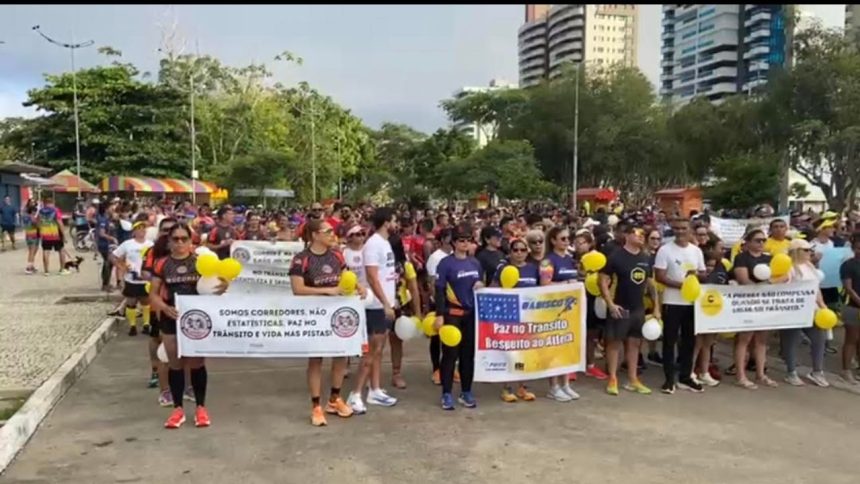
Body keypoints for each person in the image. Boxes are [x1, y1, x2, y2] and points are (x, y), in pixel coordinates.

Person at [150, 224, 226, 429]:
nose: (180, 242)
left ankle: (201, 407)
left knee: (196, 363)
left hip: (196, 320)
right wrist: (164, 308)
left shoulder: (200, 262)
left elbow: (214, 289)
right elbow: (153, 294)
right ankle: (178, 409)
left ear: (191, 240)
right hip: (171, 318)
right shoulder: (161, 263)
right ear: (169, 241)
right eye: (176, 239)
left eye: (184, 238)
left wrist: (224, 286)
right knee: (174, 364)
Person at [290, 218, 361, 426]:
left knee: (340, 356)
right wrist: (326, 290)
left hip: (337, 315)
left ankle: (334, 399)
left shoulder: (337, 255)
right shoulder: (301, 259)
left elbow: (347, 279)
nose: (333, 234)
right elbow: (298, 289)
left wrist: (359, 287)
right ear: (314, 235)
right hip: (314, 317)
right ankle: (316, 405)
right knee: (316, 360)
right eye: (328, 231)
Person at [347, 208, 400, 413]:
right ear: (387, 222)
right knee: (370, 353)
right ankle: (355, 394)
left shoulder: (385, 243)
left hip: (385, 304)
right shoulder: (373, 245)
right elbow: (372, 277)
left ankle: (375, 389)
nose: (396, 223)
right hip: (375, 306)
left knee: (379, 351)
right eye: (394, 220)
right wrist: (385, 303)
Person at [598, 225, 659, 396]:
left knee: (635, 344)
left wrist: (656, 308)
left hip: (638, 308)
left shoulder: (646, 258)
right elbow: (602, 280)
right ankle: (612, 378)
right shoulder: (616, 256)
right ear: (627, 236)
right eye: (637, 233)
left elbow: (650, 284)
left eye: (643, 234)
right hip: (620, 307)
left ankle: (633, 379)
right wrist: (610, 303)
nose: (641, 236)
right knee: (614, 343)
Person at [654, 217, 707, 394]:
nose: (680, 231)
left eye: (683, 228)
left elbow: (703, 272)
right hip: (672, 301)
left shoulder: (696, 251)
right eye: (676, 228)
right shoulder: (665, 250)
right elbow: (660, 276)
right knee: (670, 341)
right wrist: (682, 286)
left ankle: (685, 376)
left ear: (689, 229)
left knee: (689, 341)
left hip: (691, 303)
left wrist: (696, 277)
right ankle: (669, 380)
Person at [433, 223, 483, 410]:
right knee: (449, 355)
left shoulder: (475, 262)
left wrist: (479, 284)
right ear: (454, 242)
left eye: (468, 240)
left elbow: (479, 282)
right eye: (461, 240)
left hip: (470, 314)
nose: (465, 243)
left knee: (467, 355)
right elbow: (438, 290)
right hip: (452, 314)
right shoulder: (446, 263)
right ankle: (446, 393)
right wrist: (439, 315)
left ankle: (466, 391)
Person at [492, 238, 540, 403]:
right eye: (515, 250)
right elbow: (493, 289)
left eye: (522, 250)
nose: (519, 253)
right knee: (509, 354)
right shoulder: (504, 269)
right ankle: (506, 387)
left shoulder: (533, 269)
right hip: (509, 318)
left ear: (527, 252)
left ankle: (522, 386)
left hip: (529, 319)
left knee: (524, 354)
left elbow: (541, 291)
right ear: (510, 253)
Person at [732, 228, 778, 389]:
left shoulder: (770, 258)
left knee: (762, 340)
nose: (761, 243)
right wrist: (765, 286)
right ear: (748, 242)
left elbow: (783, 275)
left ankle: (760, 374)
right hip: (748, 303)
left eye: (763, 240)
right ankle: (741, 375)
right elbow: (743, 280)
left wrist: (770, 285)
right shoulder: (741, 258)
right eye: (757, 240)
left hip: (765, 304)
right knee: (745, 339)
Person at [781, 239, 829, 387]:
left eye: (810, 250)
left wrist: (822, 305)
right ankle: (791, 372)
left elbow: (816, 288)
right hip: (794, 310)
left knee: (819, 339)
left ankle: (817, 371)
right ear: (797, 251)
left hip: (812, 309)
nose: (810, 253)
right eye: (806, 250)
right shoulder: (789, 267)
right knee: (792, 340)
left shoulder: (810, 266)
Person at [141, 217, 178, 405]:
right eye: (165, 230)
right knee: (157, 339)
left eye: (172, 230)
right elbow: (144, 272)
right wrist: (159, 275)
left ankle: (182, 384)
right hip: (159, 302)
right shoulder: (153, 251)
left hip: (180, 304)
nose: (168, 233)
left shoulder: (185, 250)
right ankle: (156, 372)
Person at [573, 230, 608, 380]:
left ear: (589, 244)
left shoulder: (599, 260)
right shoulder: (570, 260)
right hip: (573, 301)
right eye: (576, 243)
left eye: (582, 243)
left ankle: (590, 365)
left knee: (591, 334)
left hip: (592, 300)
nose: (578, 246)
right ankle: (572, 366)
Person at [111, 220, 154, 336]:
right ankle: (132, 326)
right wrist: (122, 266)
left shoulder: (150, 244)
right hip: (131, 279)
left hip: (145, 279)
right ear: (134, 231)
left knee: (146, 302)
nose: (142, 230)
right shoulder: (127, 244)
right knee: (131, 302)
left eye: (143, 228)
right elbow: (114, 256)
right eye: (139, 228)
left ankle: (146, 324)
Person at [426, 228, 456, 385]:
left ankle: (449, 368)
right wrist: (436, 300)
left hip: (453, 302)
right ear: (444, 239)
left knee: (451, 337)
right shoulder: (435, 257)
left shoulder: (455, 257)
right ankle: (436, 369)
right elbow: (431, 281)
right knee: (436, 337)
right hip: (438, 301)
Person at [840, 233, 860, 385]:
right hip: (852, 306)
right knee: (851, 340)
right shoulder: (848, 265)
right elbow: (848, 288)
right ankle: (846, 370)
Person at [36, 196, 69, 276]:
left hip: (45, 234)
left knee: (46, 251)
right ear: (52, 202)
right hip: (55, 234)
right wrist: (64, 235)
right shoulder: (55, 210)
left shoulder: (41, 211)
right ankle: (62, 269)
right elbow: (60, 223)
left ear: (44, 202)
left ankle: (46, 271)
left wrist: (40, 231)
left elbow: (38, 223)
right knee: (61, 250)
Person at [22, 205, 40, 274]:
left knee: (32, 251)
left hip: (29, 235)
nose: (35, 212)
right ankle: (29, 267)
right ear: (32, 211)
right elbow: (36, 224)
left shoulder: (25, 217)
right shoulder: (31, 217)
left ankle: (31, 265)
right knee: (32, 252)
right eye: (35, 211)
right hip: (33, 235)